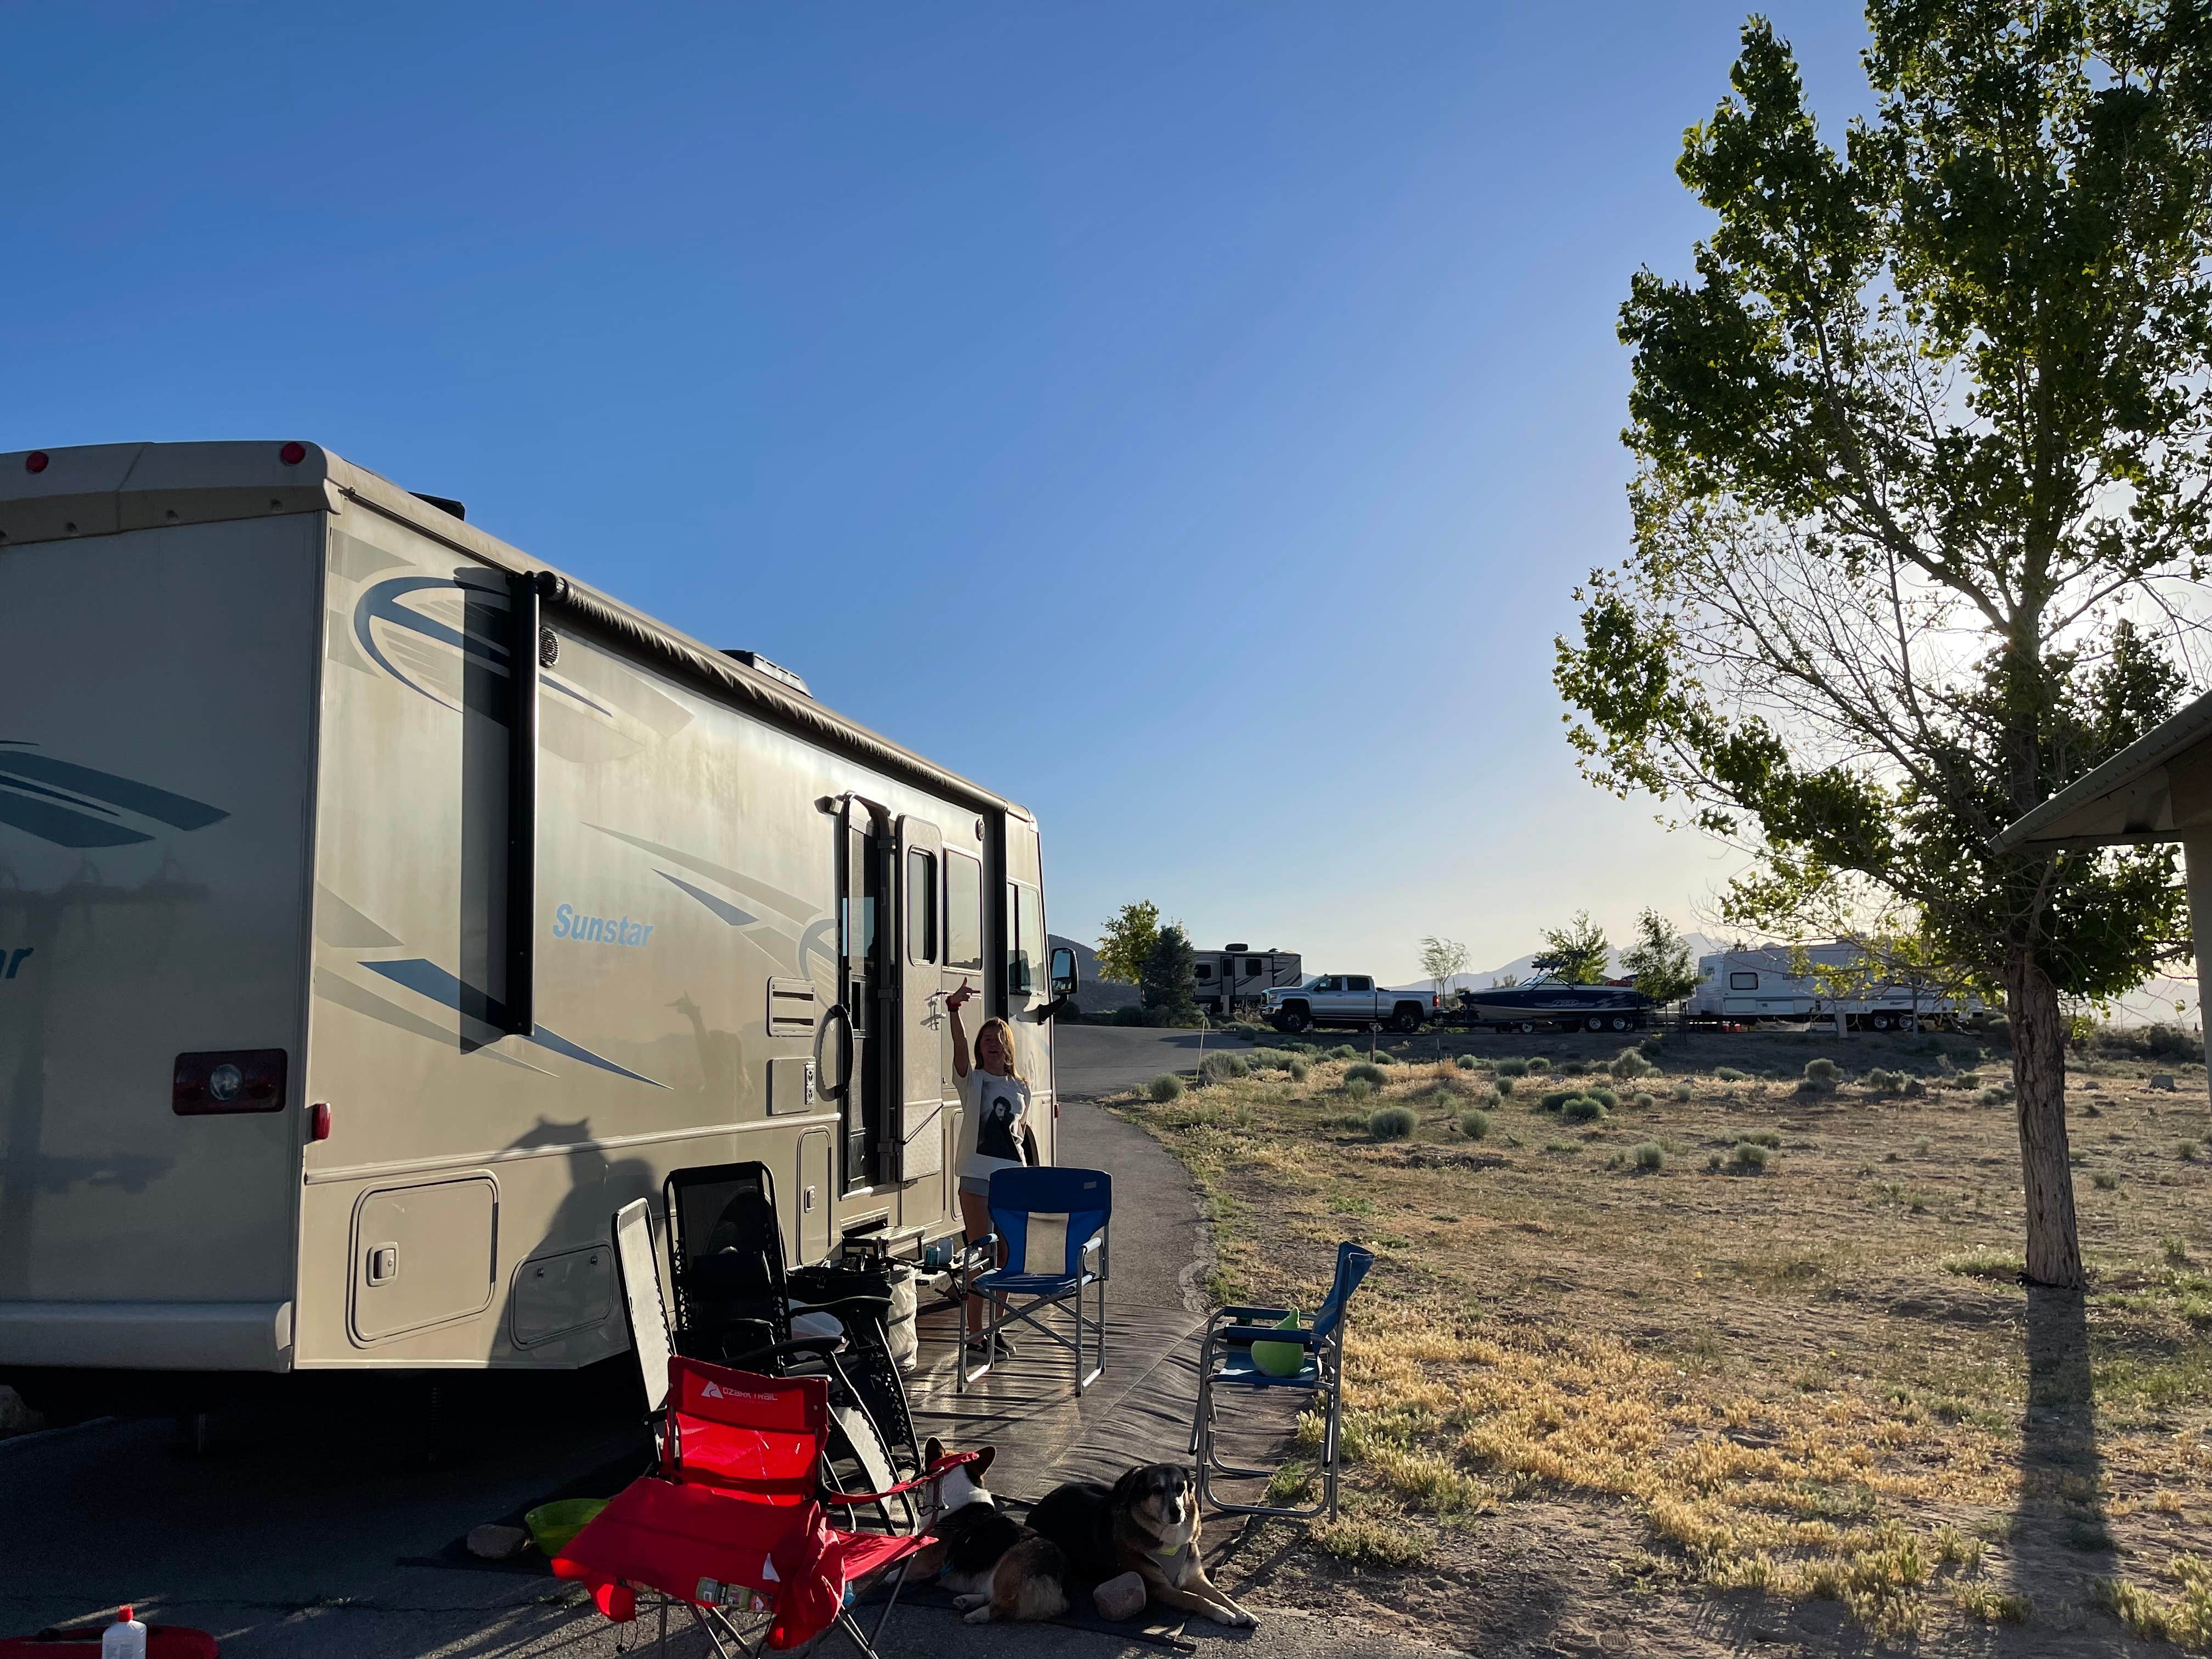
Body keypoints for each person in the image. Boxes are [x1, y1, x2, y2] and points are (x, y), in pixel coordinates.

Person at [946, 979, 1037, 1359]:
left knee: (1007, 1256)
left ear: (1008, 1046)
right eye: (986, 1038)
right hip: (977, 1179)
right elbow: (959, 1049)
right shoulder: (973, 1081)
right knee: (980, 1254)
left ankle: (997, 1330)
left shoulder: (1022, 1088)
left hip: (1012, 1181)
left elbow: (1020, 1135)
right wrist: (954, 1010)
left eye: (999, 1037)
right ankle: (975, 1336)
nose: (992, 1042)